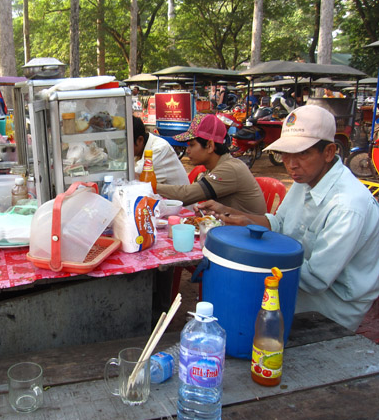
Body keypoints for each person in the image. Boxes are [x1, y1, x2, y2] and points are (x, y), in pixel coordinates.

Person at [197, 105, 379, 332]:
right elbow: (280, 224)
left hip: (332, 304)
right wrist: (240, 217)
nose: (291, 164)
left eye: (302, 153)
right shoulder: (307, 180)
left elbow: (315, 280)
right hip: (298, 281)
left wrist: (248, 262)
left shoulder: (347, 206)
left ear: (329, 152)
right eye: (286, 154)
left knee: (244, 308)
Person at [156, 114, 266, 214]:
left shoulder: (229, 169)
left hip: (245, 233)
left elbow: (185, 195)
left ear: (209, 146)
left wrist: (149, 185)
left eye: (192, 145)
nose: (188, 150)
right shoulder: (216, 167)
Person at [133, 116, 189, 185]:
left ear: (140, 140)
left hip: (174, 195)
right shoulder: (139, 149)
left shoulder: (159, 149)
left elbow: (131, 177)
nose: (122, 149)